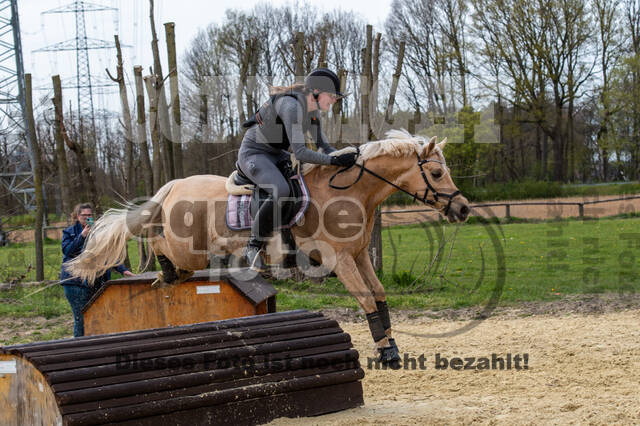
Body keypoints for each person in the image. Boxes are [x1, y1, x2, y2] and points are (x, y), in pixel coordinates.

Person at [238, 68, 358, 271]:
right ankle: (252, 247)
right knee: (281, 191)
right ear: (317, 91)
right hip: (255, 154)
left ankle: (294, 247)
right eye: (332, 96)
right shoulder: (291, 106)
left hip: (277, 155)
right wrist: (333, 161)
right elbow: (301, 153)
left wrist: (348, 158)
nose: (335, 100)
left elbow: (325, 148)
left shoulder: (312, 113)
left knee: (306, 187)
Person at [60, 203, 134, 337]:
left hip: (97, 281)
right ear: (77, 216)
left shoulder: (100, 232)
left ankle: (97, 344)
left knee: (100, 316)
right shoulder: (69, 232)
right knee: (81, 318)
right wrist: (82, 236)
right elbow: (68, 251)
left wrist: (123, 270)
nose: (88, 218)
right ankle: (80, 348)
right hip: (75, 283)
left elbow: (107, 253)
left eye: (90, 215)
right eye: (84, 215)